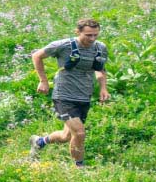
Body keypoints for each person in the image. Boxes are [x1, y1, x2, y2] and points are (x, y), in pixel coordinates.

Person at [28, 18, 110, 167]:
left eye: (95, 35)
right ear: (78, 32)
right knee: (79, 133)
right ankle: (79, 168)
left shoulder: (100, 48)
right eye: (88, 35)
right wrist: (43, 80)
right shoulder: (64, 45)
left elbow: (100, 69)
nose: (92, 39)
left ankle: (39, 142)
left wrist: (103, 88)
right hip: (64, 96)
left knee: (66, 136)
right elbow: (37, 56)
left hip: (84, 96)